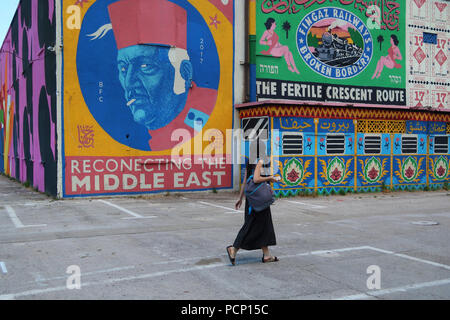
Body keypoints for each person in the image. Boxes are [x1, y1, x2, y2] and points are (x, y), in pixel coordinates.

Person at [88, 0, 217, 151]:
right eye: (123, 69)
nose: (129, 83)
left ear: (184, 73)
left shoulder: (209, 117)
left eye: (145, 66)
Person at [226, 159, 279, 265]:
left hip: (252, 200)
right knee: (251, 226)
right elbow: (256, 179)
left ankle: (267, 255)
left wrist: (240, 198)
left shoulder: (250, 161)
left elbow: (245, 181)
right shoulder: (260, 161)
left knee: (263, 226)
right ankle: (234, 249)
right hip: (259, 201)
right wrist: (270, 178)